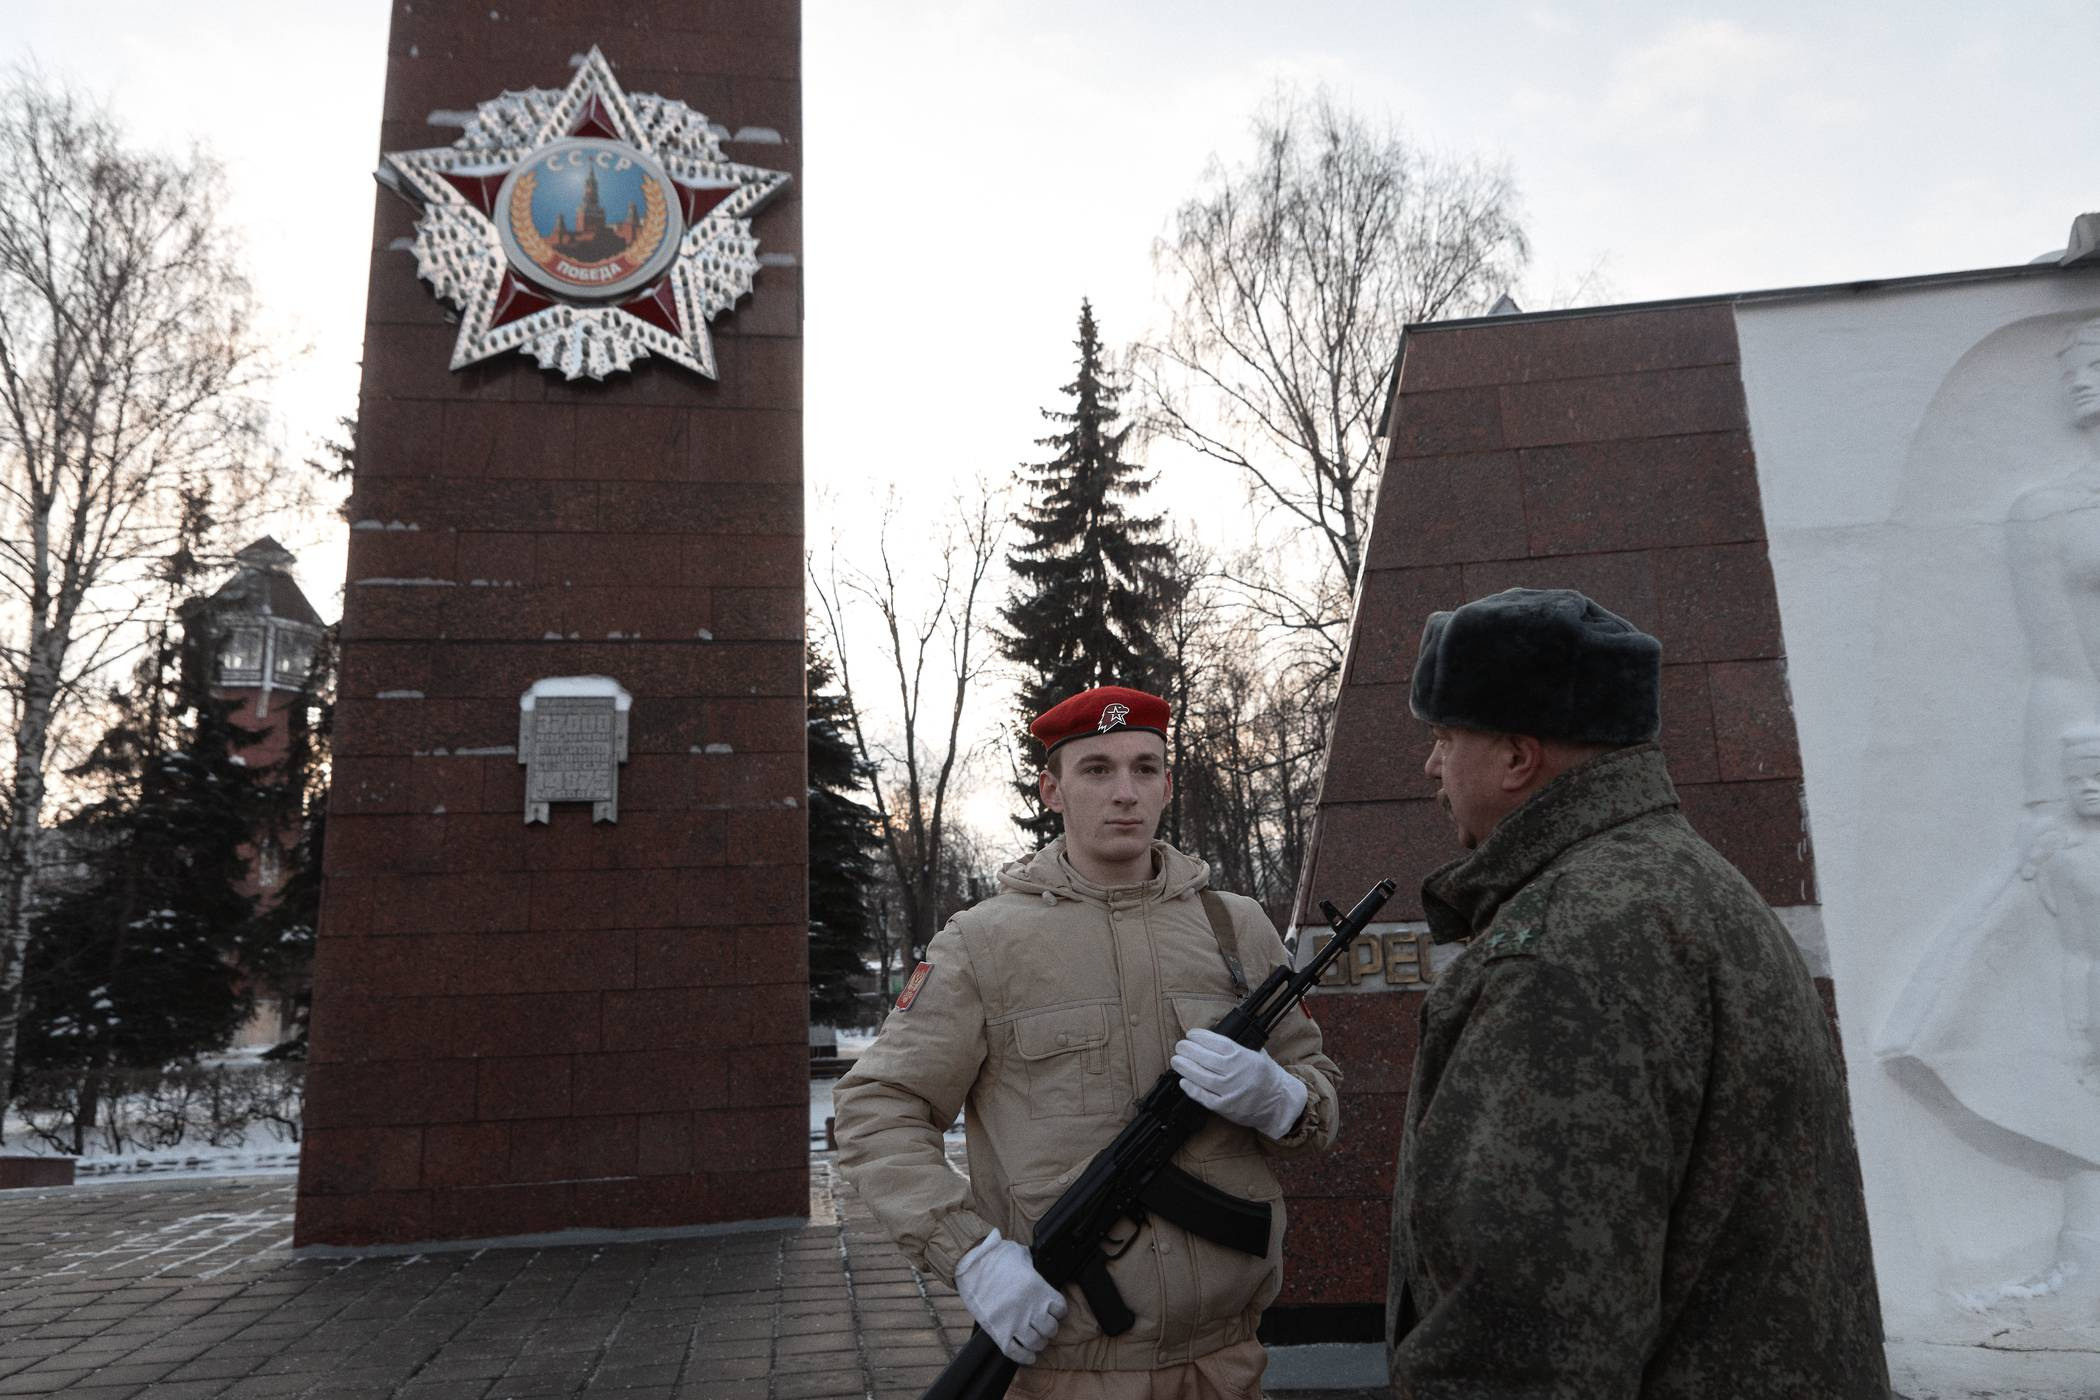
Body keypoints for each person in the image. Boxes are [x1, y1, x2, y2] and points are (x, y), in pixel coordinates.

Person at [1386, 588, 1889, 1399]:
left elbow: (1526, 1341)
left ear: (1518, 758)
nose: (1431, 766)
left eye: (1445, 737)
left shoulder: (1566, 954)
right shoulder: (1692, 886)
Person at [834, 685, 1340, 1399]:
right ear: (1052, 789)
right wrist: (971, 1256)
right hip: (1070, 1374)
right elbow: (876, 1110)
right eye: (1097, 770)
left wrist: (1285, 1100)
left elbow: (1314, 1088)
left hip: (1227, 1362)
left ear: (1169, 785)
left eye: (1145, 768)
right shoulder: (982, 944)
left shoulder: (1237, 929)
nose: (1125, 792)